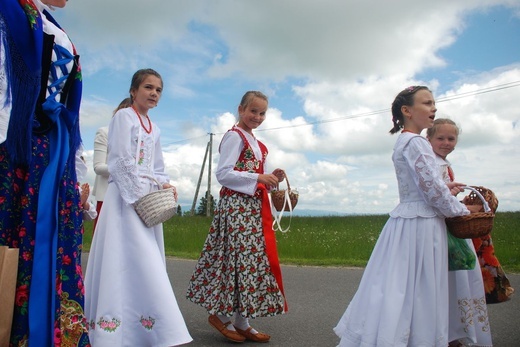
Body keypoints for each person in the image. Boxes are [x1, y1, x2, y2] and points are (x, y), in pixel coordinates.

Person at [333, 86, 478, 346]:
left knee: (398, 285)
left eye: (434, 103)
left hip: (406, 220)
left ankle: (399, 334)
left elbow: (425, 186)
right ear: (407, 110)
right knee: (421, 287)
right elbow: (432, 193)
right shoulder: (417, 142)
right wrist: (462, 211)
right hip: (421, 224)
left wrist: (445, 188)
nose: (433, 108)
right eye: (426, 103)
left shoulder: (404, 141)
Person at [0, 0, 90, 345]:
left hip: (55, 152)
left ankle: (54, 336)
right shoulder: (9, 11)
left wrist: (75, 166)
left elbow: (68, 107)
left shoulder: (56, 29)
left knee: (56, 245)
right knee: (15, 240)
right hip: (17, 150)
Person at [84, 68, 192, 346]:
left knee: (147, 260)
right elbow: (119, 160)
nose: (154, 93)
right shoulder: (124, 117)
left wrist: (164, 185)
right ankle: (113, 328)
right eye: (148, 87)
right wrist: (137, 198)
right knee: (126, 258)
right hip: (125, 199)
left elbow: (157, 166)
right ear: (133, 91)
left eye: (158, 90)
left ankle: (147, 327)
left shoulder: (154, 127)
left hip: (146, 198)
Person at [186, 91, 287, 343]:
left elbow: (256, 177)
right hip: (236, 209)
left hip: (252, 209)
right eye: (253, 111)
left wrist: (271, 178)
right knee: (235, 262)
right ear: (241, 110)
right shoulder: (234, 136)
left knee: (249, 264)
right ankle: (220, 315)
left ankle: (242, 320)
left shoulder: (257, 143)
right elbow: (224, 173)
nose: (257, 117)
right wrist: (257, 177)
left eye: (262, 113)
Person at [427, 118, 493, 347]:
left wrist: (458, 201)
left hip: (450, 224)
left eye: (451, 138)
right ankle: (449, 333)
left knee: (454, 280)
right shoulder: (434, 165)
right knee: (452, 280)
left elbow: (446, 196)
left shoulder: (443, 163)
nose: (446, 142)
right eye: (440, 138)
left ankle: (452, 332)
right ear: (428, 139)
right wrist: (466, 209)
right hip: (445, 229)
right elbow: (437, 199)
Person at [92, 97, 132, 234]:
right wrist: (125, 169)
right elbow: (98, 167)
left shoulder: (138, 138)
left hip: (131, 198)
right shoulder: (105, 132)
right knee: (105, 239)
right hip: (107, 195)